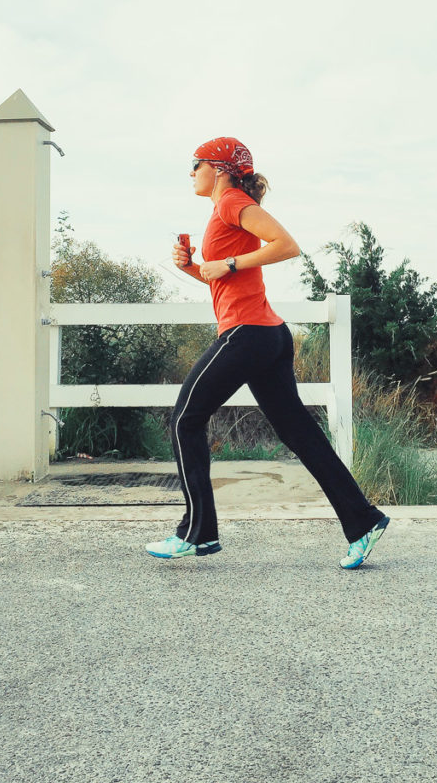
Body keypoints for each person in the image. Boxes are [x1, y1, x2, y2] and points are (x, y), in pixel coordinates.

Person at [145, 137, 389, 569]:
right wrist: (192, 266)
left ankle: (197, 533)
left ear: (219, 169)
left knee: (185, 417)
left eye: (196, 164)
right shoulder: (223, 210)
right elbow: (221, 280)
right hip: (267, 335)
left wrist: (232, 263)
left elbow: (287, 244)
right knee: (300, 434)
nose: (191, 172)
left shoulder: (231, 202)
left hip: (249, 335)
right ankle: (363, 521)